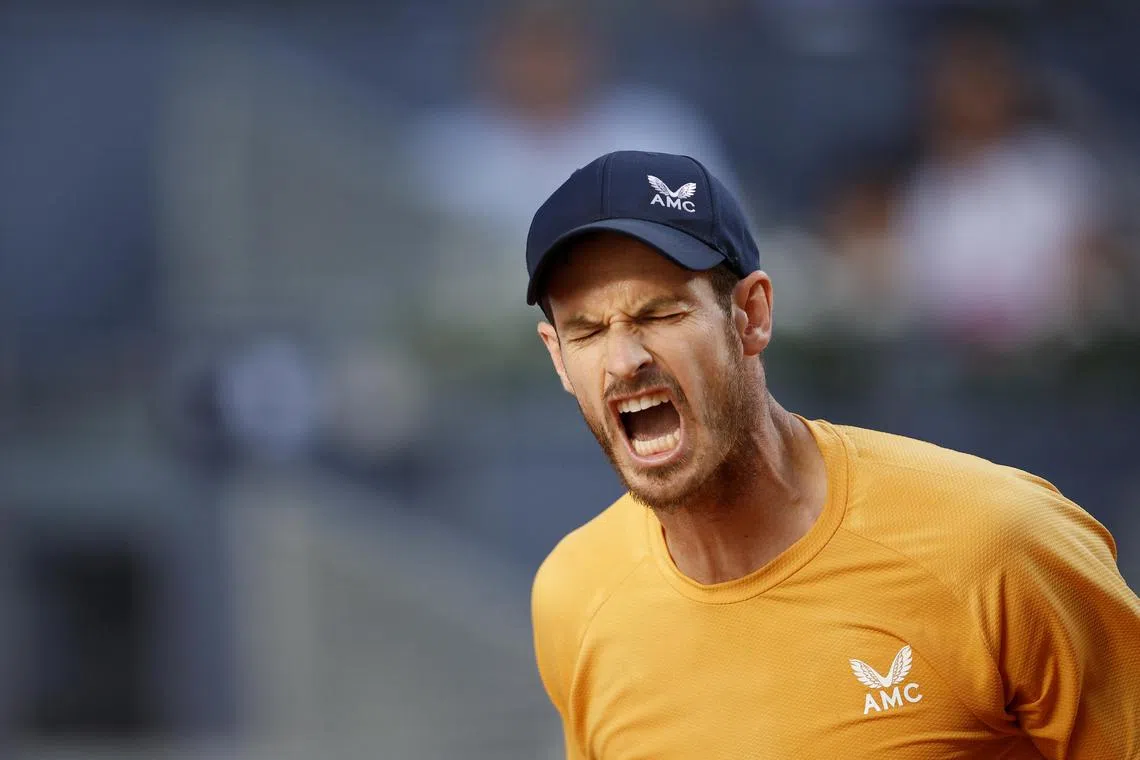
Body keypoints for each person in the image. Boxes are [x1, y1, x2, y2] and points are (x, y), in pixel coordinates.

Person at [524, 150, 1139, 758]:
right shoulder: (574, 596)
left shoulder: (997, 544)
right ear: (557, 356)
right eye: (587, 331)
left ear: (751, 316)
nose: (625, 360)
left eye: (661, 313)